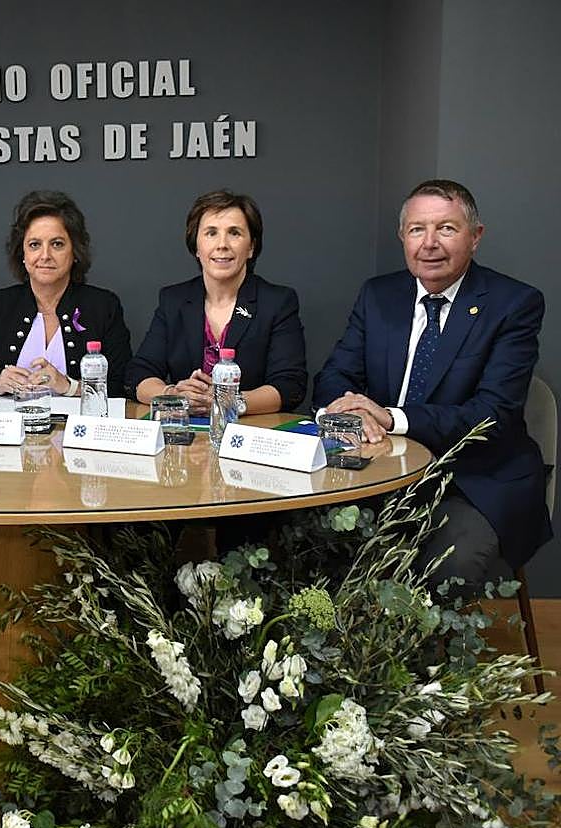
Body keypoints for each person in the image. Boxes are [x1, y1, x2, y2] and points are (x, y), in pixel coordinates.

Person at [314, 179, 551, 587]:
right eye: (417, 229)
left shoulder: (513, 304)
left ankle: (425, 652)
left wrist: (391, 418)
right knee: (302, 538)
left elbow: (491, 417)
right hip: (378, 468)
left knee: (447, 566)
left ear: (475, 237)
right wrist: (347, 412)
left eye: (446, 228)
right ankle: (345, 649)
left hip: (474, 479)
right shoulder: (379, 295)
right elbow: (335, 377)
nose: (429, 243)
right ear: (402, 237)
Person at [124, 190, 307, 413]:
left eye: (234, 233)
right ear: (196, 247)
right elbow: (138, 375)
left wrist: (228, 401)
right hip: (185, 432)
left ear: (251, 247)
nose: (222, 244)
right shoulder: (174, 300)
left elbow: (290, 387)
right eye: (211, 233)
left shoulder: (277, 302)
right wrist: (173, 395)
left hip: (248, 434)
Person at [0, 190, 131, 397]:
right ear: (23, 254)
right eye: (35, 245)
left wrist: (69, 386)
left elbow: (123, 386)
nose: (45, 256)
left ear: (75, 252)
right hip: (10, 427)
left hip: (77, 428)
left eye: (57, 244)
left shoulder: (103, 306)